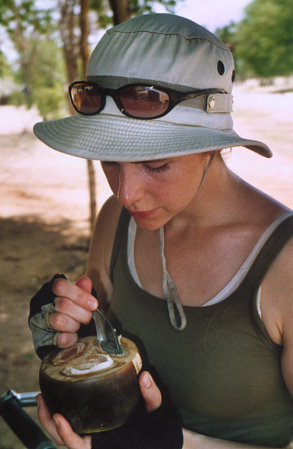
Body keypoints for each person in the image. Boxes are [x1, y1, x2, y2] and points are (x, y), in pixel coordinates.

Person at [28, 13, 293, 449]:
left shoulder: (284, 261)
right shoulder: (115, 220)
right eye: (109, 160)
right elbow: (102, 345)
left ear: (211, 144)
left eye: (155, 165)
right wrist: (67, 335)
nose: (128, 194)